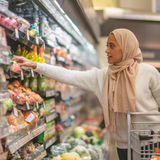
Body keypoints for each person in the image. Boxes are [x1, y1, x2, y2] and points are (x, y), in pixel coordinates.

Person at [12, 28, 160, 160]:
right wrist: (37, 65)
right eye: (107, 45)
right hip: (124, 145)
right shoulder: (102, 77)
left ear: (126, 48)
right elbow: (68, 75)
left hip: (153, 141)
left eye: (112, 46)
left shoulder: (148, 72)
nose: (106, 50)